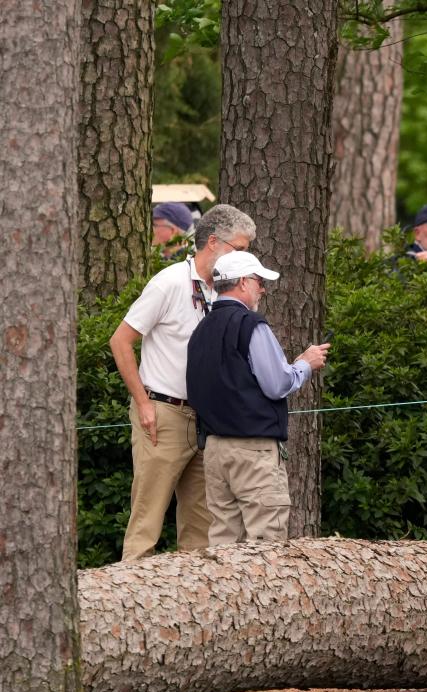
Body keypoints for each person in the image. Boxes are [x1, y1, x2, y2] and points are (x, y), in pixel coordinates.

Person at [109, 204, 257, 561]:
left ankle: (191, 606)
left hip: (206, 419)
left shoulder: (223, 291)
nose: (245, 257)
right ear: (212, 242)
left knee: (201, 527)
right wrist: (143, 403)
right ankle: (130, 603)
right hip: (163, 412)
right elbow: (120, 341)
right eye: (239, 249)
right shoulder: (169, 282)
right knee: (147, 519)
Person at [185, 251, 330, 545]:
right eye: (258, 280)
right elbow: (277, 384)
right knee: (266, 548)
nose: (262, 288)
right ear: (241, 282)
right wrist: (306, 365)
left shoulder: (201, 329)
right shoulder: (251, 324)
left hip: (214, 450)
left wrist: (293, 365)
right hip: (254, 452)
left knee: (223, 544)